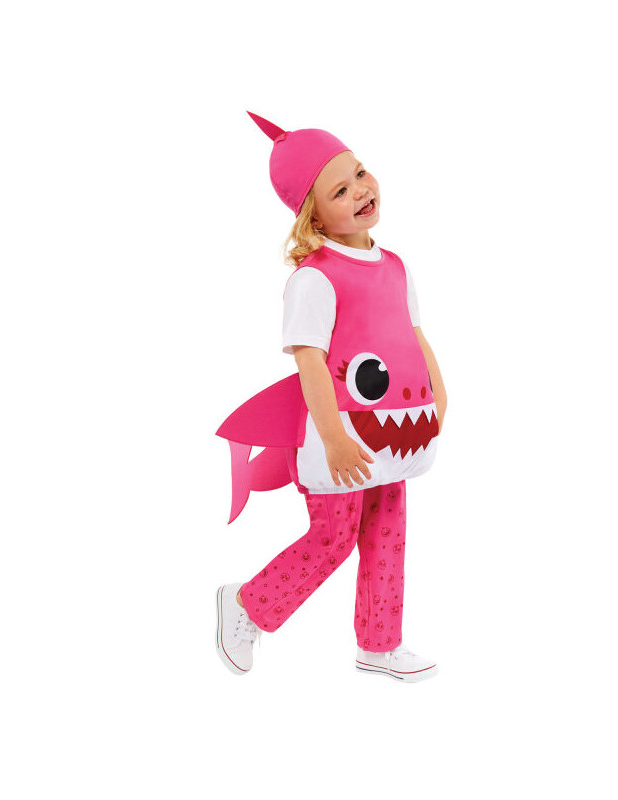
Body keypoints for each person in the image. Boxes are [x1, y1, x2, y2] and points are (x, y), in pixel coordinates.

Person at [215, 112, 448, 682]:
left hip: (396, 428)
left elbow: (414, 336)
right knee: (333, 538)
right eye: (340, 191)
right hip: (340, 435)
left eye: (360, 173)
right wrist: (335, 438)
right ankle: (247, 604)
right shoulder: (315, 279)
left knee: (388, 535)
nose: (360, 191)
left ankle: (380, 644)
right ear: (314, 215)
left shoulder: (395, 266)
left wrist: (439, 397)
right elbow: (310, 363)